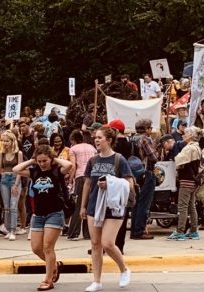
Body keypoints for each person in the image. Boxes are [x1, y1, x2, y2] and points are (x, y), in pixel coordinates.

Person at [13, 145, 72, 291]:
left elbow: (69, 165)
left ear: (50, 159)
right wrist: (31, 161)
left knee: (47, 247)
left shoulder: (57, 171)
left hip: (55, 213)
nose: (42, 163)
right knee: (36, 248)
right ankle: (54, 266)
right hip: (38, 214)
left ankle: (48, 279)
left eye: (44, 160)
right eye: (39, 161)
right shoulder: (34, 172)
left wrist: (54, 159)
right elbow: (16, 169)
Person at [80, 127, 132, 291]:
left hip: (113, 206)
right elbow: (87, 184)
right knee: (95, 244)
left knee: (107, 243)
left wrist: (110, 183)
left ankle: (124, 269)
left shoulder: (119, 159)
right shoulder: (93, 161)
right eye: (95, 137)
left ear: (109, 140)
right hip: (94, 205)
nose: (96, 140)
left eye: (100, 137)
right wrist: (82, 206)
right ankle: (97, 280)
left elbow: (129, 183)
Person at [170, 127, 204, 241]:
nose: (183, 135)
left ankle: (180, 231)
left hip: (186, 180)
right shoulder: (197, 147)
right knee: (191, 206)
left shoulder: (189, 148)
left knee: (183, 207)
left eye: (185, 134)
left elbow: (178, 160)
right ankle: (194, 231)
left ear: (190, 135)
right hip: (194, 180)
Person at [0, 132, 24, 240]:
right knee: (6, 207)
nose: (4, 143)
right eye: (3, 141)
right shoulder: (2, 153)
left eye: (6, 141)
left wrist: (16, 184)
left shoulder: (18, 153)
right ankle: (8, 228)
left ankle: (13, 230)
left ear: (12, 141)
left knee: (13, 205)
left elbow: (20, 170)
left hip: (15, 178)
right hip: (4, 179)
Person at [129, 119, 158, 240]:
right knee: (144, 203)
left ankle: (134, 229)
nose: (151, 130)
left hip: (133, 173)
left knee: (136, 202)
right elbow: (154, 157)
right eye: (150, 128)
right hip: (145, 173)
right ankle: (139, 230)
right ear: (146, 129)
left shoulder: (131, 139)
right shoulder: (145, 139)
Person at [66, 130, 97, 241]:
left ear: (73, 140)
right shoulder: (92, 147)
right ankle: (88, 233)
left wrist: (70, 180)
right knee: (89, 204)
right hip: (93, 177)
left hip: (80, 177)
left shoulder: (73, 149)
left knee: (78, 205)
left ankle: (73, 232)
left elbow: (73, 166)